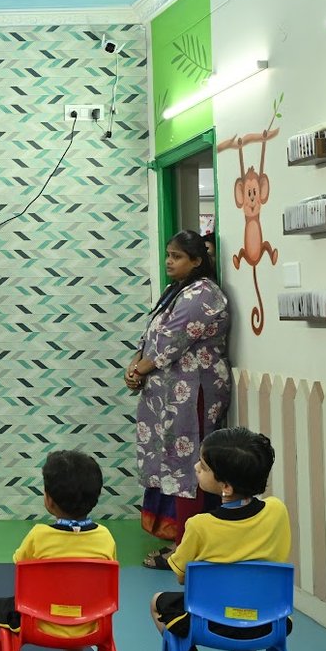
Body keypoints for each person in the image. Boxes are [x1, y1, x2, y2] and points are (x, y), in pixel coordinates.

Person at [151, 427, 291, 651]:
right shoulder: (277, 511)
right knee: (245, 600)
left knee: (158, 603)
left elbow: (181, 576)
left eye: (203, 466)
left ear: (225, 486)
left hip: (211, 623)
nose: (196, 468)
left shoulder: (200, 525)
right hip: (268, 621)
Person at [0, 450, 116, 651]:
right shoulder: (105, 538)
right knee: (77, 600)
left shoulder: (38, 536)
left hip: (40, 624)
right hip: (91, 625)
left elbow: (20, 564)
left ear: (49, 500)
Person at [126, 229, 231, 569]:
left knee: (189, 469)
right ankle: (181, 543)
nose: (169, 262)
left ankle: (185, 551)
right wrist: (135, 366)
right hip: (171, 395)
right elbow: (151, 336)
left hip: (193, 392)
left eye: (177, 256)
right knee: (173, 464)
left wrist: (140, 369)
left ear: (197, 261)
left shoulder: (203, 294)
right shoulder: (178, 290)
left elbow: (172, 342)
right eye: (168, 255)